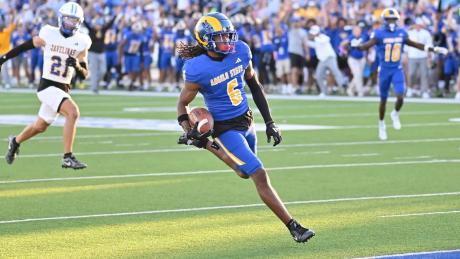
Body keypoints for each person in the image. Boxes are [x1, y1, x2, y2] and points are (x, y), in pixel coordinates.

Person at [176, 12, 315, 243]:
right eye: (220, 37)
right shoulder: (197, 68)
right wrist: (186, 126)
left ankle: (207, 144)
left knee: (244, 172)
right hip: (224, 127)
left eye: (228, 36)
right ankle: (294, 227)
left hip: (246, 119)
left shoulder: (240, 51)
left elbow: (254, 84)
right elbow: (183, 103)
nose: (227, 42)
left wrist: (270, 122)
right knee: (259, 173)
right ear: (205, 40)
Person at [1, 2, 92, 169]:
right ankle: (67, 157)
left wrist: (77, 66)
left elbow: (85, 74)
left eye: (74, 21)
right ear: (60, 19)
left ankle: (15, 141)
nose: (70, 24)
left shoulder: (82, 41)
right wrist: (4, 58)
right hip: (47, 86)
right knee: (73, 113)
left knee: (40, 126)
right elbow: (26, 45)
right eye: (67, 20)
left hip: (63, 88)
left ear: (79, 23)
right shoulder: (48, 33)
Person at [352, 8, 448, 140]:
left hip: (397, 69)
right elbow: (366, 46)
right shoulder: (379, 34)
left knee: (400, 95)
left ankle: (395, 113)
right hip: (384, 70)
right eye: (389, 19)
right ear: (385, 21)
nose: (392, 22)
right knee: (383, 100)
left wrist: (433, 49)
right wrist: (357, 46)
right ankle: (381, 124)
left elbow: (415, 45)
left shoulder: (401, 33)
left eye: (394, 19)